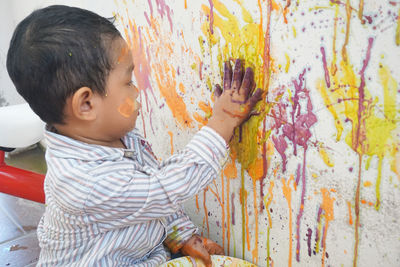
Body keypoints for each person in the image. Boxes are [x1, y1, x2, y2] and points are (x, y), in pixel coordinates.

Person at [6, 5, 262, 267]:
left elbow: (154, 194)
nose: (137, 91)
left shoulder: (117, 136)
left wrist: (181, 236)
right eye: (127, 82)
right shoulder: (86, 183)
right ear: (86, 104)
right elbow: (164, 189)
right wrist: (222, 122)